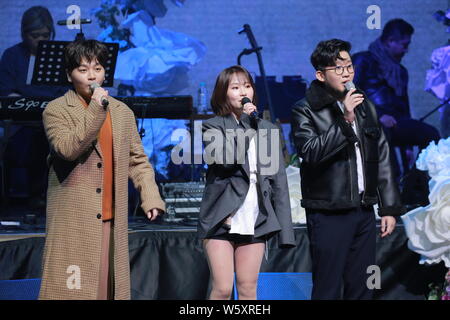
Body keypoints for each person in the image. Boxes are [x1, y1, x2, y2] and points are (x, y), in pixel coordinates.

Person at [39, 39, 165, 300]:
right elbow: (68, 148)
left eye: (97, 68)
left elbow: (138, 161)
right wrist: (96, 108)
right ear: (69, 75)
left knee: (107, 292)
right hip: (75, 221)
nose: (92, 76)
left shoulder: (121, 112)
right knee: (73, 293)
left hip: (111, 219)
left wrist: (150, 196)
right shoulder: (56, 110)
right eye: (83, 70)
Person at [291, 39, 405, 300]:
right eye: (338, 68)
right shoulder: (305, 109)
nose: (346, 73)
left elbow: (382, 156)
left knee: (362, 288)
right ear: (320, 75)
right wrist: (344, 119)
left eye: (349, 66)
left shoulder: (365, 105)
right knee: (328, 287)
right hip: (328, 210)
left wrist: (388, 207)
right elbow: (310, 153)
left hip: (363, 210)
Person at [198, 65, 295, 300]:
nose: (243, 91)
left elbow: (279, 184)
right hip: (222, 217)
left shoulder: (269, 129)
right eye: (235, 87)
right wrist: (249, 127)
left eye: (247, 86)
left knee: (248, 288)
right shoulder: (213, 126)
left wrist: (286, 233)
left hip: (256, 217)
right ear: (223, 93)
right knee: (222, 288)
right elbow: (225, 161)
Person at [352, 19, 440, 176]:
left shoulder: (401, 71)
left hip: (395, 123)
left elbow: (403, 106)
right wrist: (378, 116)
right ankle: (390, 186)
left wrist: (407, 148)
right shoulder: (363, 60)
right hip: (367, 121)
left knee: (431, 134)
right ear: (390, 41)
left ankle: (417, 185)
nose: (406, 50)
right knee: (381, 131)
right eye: (404, 45)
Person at [0, 6, 67, 209]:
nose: (40, 40)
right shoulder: (12, 56)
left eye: (45, 35)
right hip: (22, 123)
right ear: (24, 34)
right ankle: (28, 198)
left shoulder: (60, 55)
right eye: (35, 35)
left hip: (54, 120)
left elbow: (66, 92)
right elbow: (6, 93)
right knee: (29, 142)